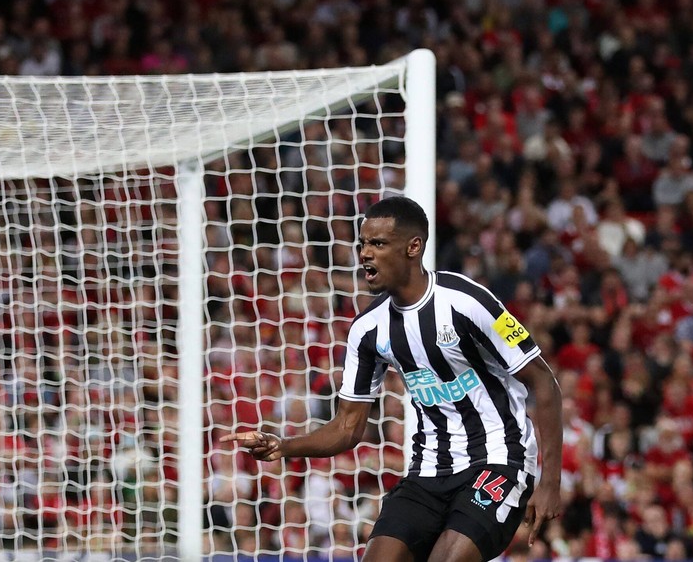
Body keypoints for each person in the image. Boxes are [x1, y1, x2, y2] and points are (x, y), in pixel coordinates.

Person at [222, 196, 563, 561]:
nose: (365, 254)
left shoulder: (466, 301)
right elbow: (348, 427)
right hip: (429, 470)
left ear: (413, 247)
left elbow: (544, 383)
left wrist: (550, 483)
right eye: (363, 244)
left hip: (499, 459)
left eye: (378, 243)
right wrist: (283, 446)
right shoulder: (368, 329)